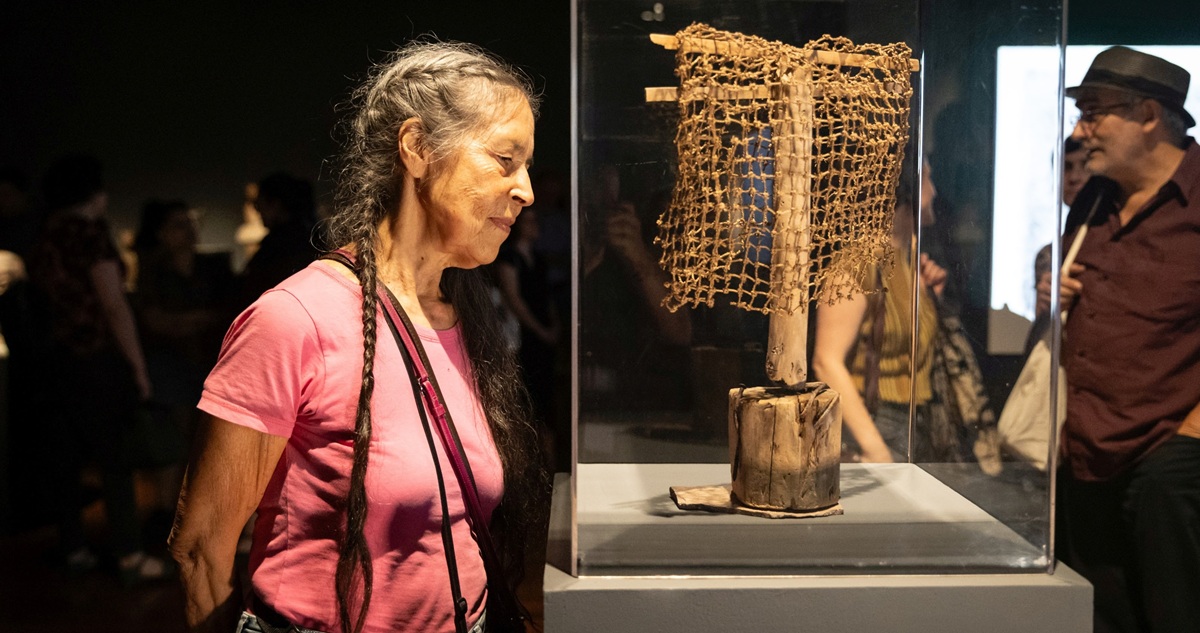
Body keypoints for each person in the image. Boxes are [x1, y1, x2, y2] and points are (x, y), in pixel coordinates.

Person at [169, 41, 548, 633]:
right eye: (505, 158)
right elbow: (201, 551)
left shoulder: (463, 317)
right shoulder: (296, 320)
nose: (525, 189)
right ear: (418, 148)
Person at [1047, 46, 1200, 633]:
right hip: (1086, 454)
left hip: (1167, 463)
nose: (1081, 130)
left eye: (1094, 112)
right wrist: (1054, 300)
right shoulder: (1092, 199)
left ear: (1148, 116)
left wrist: (1188, 443)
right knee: (1100, 618)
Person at [25, 154, 172, 582]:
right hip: (95, 362)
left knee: (65, 460)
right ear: (94, 193)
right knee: (114, 458)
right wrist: (138, 368)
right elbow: (112, 303)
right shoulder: (88, 235)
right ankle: (129, 555)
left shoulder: (43, 237)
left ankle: (75, 549)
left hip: (54, 363)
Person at [811, 157, 948, 463]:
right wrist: (875, 448)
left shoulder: (912, 261)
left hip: (918, 423)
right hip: (877, 422)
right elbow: (825, 361)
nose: (935, 191)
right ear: (907, 186)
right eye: (927, 178)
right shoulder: (859, 262)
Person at [232, 172, 319, 312]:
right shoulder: (309, 238)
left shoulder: (278, 246)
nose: (256, 209)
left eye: (259, 202)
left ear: (275, 203)